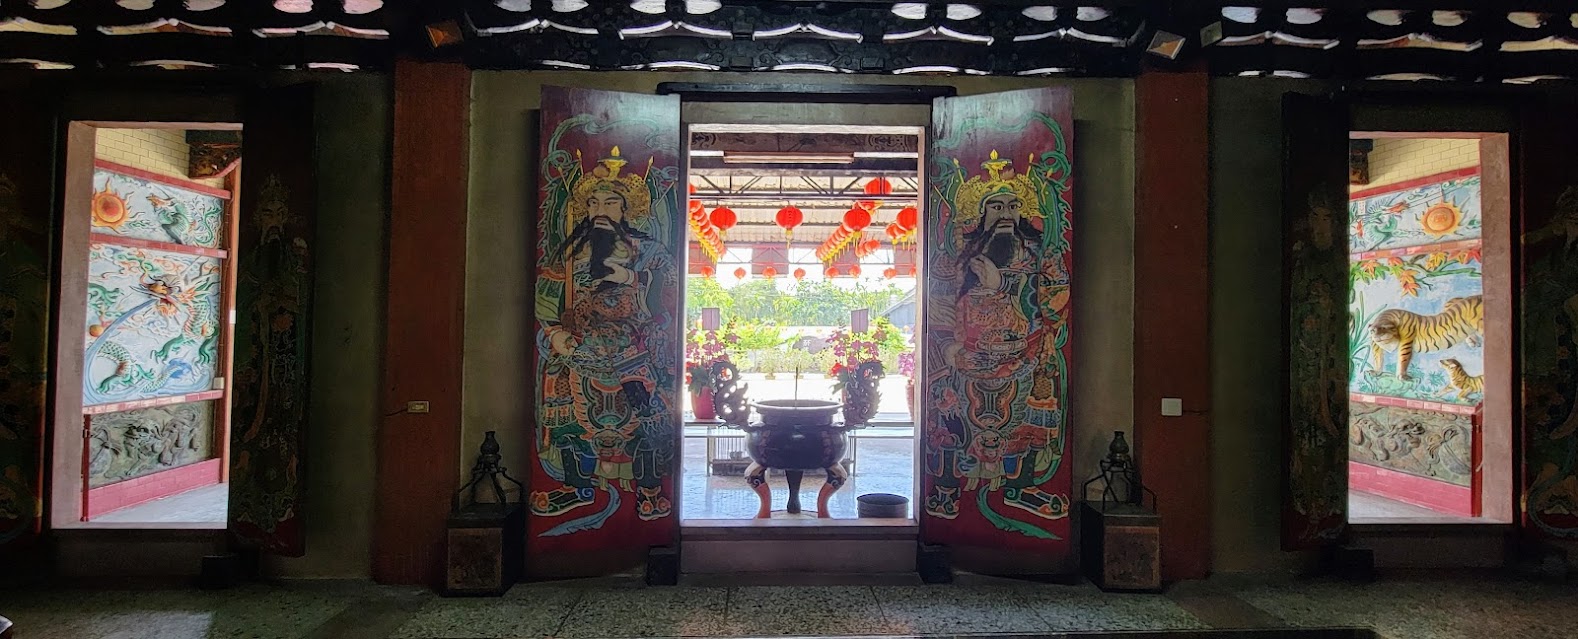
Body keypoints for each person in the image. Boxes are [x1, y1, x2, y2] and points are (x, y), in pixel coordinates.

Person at [533, 147, 678, 526]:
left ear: (626, 208)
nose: (601, 209)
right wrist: (554, 332)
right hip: (580, 344)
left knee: (648, 411)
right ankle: (576, 484)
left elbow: (669, 291)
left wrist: (631, 277)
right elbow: (546, 296)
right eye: (593, 202)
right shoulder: (570, 253)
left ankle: (649, 487)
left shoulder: (647, 249)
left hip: (632, 346)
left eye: (611, 202)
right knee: (560, 403)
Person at [925, 151, 1069, 525]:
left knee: (1030, 417)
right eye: (996, 206)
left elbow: (1057, 301)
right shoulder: (956, 256)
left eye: (1012, 205)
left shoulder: (1040, 255)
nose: (1005, 213)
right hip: (967, 359)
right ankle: (947, 488)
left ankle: (1020, 485)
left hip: (1023, 355)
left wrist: (1002, 284)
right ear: (980, 213)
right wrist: (949, 347)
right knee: (950, 414)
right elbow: (937, 303)